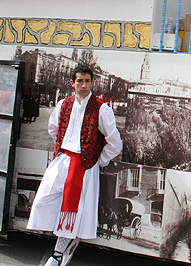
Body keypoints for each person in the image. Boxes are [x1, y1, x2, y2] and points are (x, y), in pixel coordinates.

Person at [27, 64, 122, 266]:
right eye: (80, 80)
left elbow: (115, 143)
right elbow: (53, 128)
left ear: (92, 83)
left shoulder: (101, 109)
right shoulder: (64, 104)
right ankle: (64, 242)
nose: (84, 85)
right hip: (63, 159)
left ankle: (59, 252)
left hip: (84, 165)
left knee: (73, 210)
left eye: (88, 81)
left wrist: (99, 160)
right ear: (72, 83)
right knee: (44, 199)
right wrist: (62, 146)